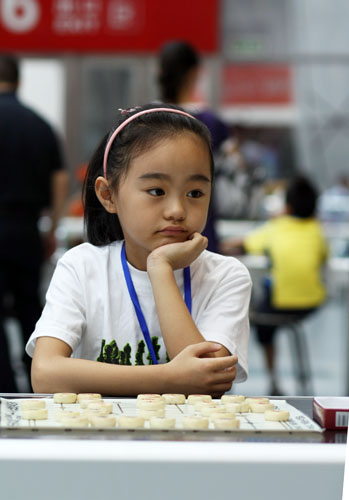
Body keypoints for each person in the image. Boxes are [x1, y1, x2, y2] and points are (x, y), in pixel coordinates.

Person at [26, 104, 252, 396]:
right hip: (97, 440)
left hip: (190, 441)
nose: (177, 210)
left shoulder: (225, 276)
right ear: (108, 195)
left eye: (195, 193)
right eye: (156, 191)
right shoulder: (81, 267)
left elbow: (205, 386)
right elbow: (45, 374)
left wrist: (160, 269)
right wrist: (170, 377)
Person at [221, 175, 328, 395]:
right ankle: (296, 382)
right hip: (311, 304)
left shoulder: (277, 227)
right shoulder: (317, 231)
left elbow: (244, 244)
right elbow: (323, 258)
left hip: (280, 304)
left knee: (260, 322)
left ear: (287, 206)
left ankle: (272, 379)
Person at [0, 54, 69, 392]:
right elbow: (59, 181)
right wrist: (52, 228)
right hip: (27, 230)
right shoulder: (39, 125)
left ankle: (4, 389)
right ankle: (36, 382)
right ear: (19, 80)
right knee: (31, 307)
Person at [157, 40, 231, 252]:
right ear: (195, 73)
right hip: (201, 231)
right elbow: (236, 174)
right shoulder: (212, 123)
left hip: (153, 233)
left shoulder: (144, 120)